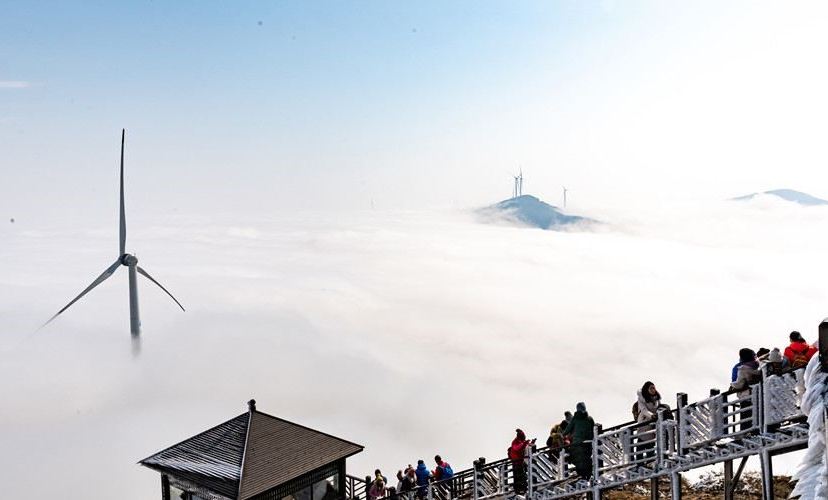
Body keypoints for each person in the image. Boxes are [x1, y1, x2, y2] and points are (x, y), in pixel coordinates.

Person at [731, 348, 762, 431]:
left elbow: (738, 384)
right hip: (760, 395)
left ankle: (746, 433)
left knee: (746, 419)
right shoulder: (758, 366)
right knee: (759, 415)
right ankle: (757, 430)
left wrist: (732, 385)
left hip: (746, 396)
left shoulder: (740, 368)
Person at [563, 402, 595, 480]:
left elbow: (567, 429)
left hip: (577, 443)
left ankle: (582, 476)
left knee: (578, 459)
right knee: (587, 458)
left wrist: (563, 435)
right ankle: (589, 474)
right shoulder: (590, 418)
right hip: (588, 442)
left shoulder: (575, 419)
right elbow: (593, 429)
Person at [508, 428, 534, 494]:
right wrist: (525, 443)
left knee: (522, 476)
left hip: (520, 461)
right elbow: (517, 448)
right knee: (518, 476)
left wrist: (532, 443)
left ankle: (523, 488)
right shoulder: (515, 442)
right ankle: (518, 490)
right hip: (516, 461)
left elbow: (524, 447)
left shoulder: (520, 441)